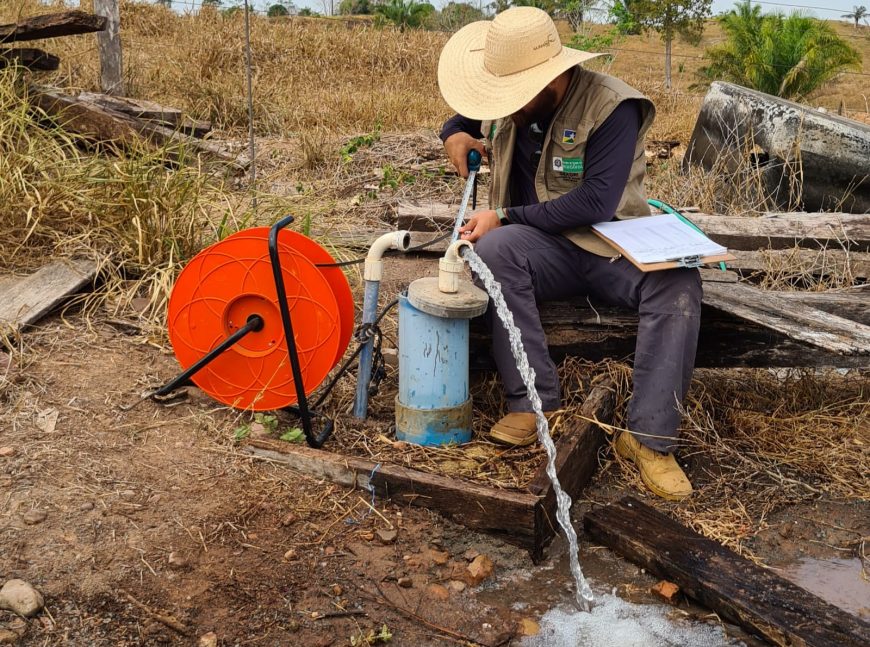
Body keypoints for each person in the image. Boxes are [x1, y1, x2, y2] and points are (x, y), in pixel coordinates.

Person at [437, 7, 702, 501]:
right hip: (543, 249)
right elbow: (465, 113)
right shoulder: (512, 98)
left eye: (516, 98)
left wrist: (508, 215)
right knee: (493, 250)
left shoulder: (612, 106)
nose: (506, 108)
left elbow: (595, 201)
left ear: (553, 78)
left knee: (679, 283)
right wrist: (454, 132)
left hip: (608, 244)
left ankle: (648, 440)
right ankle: (532, 404)